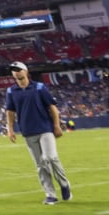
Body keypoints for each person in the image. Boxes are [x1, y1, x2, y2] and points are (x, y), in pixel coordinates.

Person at [4, 62, 72, 205]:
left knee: (50, 157)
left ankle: (64, 184)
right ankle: (50, 194)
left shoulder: (40, 88)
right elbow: (10, 111)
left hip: (45, 129)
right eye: (13, 71)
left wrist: (56, 125)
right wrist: (10, 129)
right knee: (40, 164)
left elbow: (52, 107)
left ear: (26, 71)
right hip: (28, 132)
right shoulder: (11, 91)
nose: (16, 72)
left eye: (18, 69)